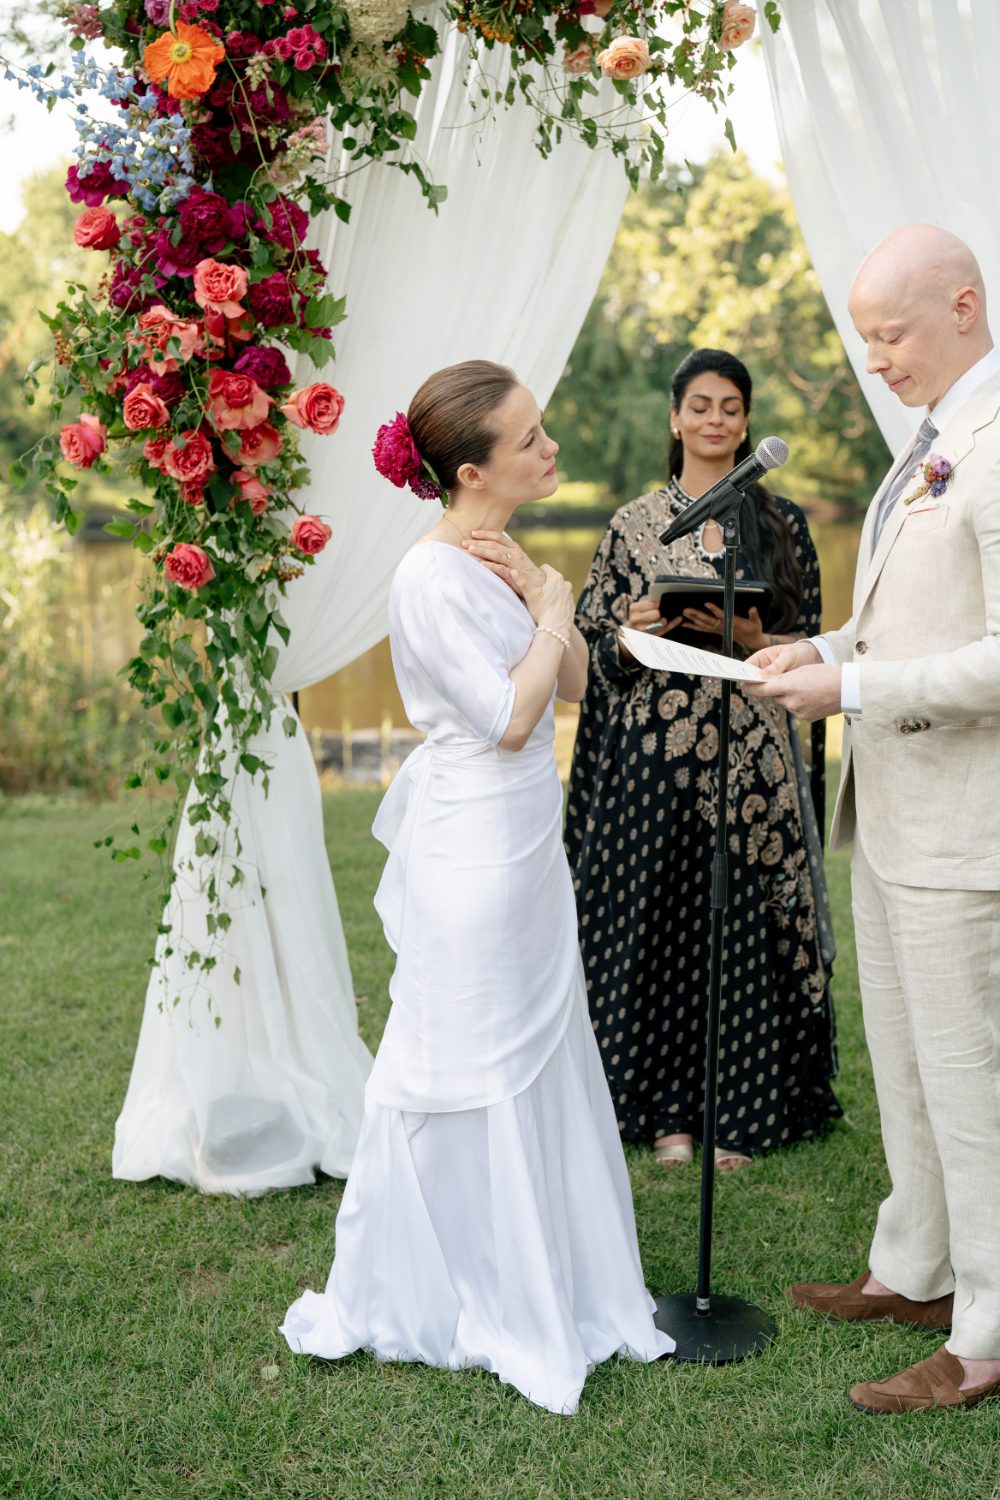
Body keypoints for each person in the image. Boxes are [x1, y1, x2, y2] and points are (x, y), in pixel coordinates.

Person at [280, 360, 673, 1414]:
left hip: (527, 844)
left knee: (539, 1048)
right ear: (471, 470)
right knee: (465, 1057)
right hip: (472, 852)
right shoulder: (427, 577)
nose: (551, 447)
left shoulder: (501, 556)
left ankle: (555, 1272)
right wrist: (552, 610)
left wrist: (546, 599)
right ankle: (448, 1286)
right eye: (530, 437)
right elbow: (508, 719)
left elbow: (573, 682)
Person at [749, 224, 1000, 1415]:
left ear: (963, 306)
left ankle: (986, 1333)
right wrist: (825, 647)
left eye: (889, 333)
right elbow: (913, 618)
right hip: (893, 814)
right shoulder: (931, 438)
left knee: (970, 1083)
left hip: (965, 829)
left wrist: (851, 688)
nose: (875, 358)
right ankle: (915, 1268)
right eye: (866, 337)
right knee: (903, 1060)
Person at [564, 347, 841, 1172]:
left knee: (739, 927)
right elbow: (588, 653)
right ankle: (663, 1118)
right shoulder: (633, 524)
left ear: (747, 422)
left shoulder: (781, 524)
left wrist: (753, 636)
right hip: (654, 758)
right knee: (658, 927)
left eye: (731, 407)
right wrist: (632, 633)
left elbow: (813, 641)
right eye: (701, 405)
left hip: (751, 759)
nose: (716, 419)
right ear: (675, 417)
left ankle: (740, 1112)